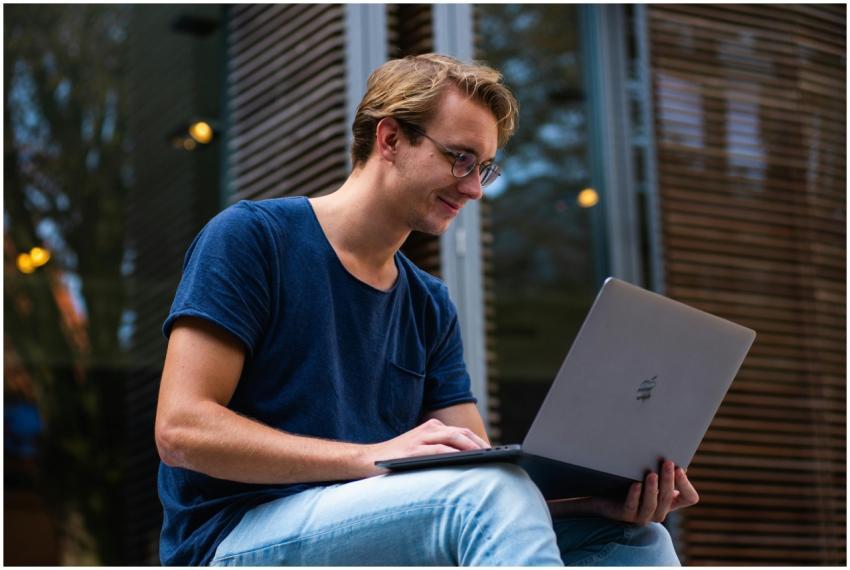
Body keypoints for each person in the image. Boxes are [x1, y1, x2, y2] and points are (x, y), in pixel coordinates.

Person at [154, 53, 698, 566]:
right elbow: (181, 431)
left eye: (484, 168)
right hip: (233, 537)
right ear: (390, 138)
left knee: (635, 540)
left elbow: (480, 478)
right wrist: (372, 456)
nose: (473, 189)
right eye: (461, 158)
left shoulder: (428, 303)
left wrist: (590, 502)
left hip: (373, 527)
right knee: (488, 490)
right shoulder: (253, 239)